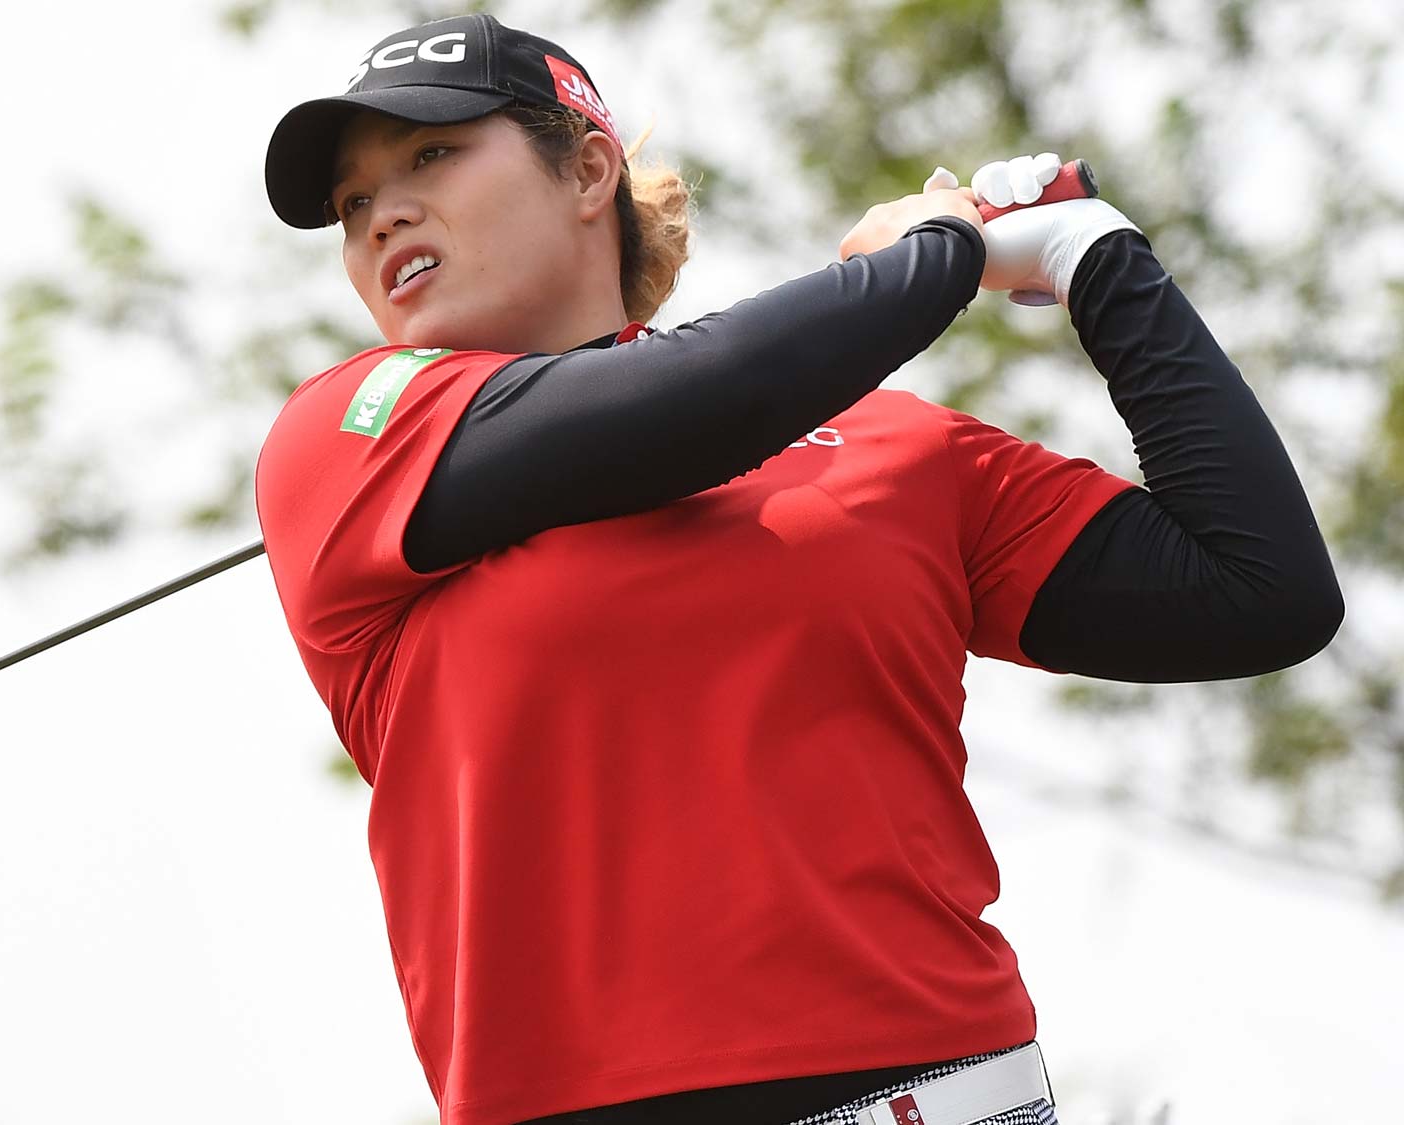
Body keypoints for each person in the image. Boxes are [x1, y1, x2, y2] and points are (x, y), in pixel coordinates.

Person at [252, 13, 1343, 1125]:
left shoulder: (893, 449)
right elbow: (696, 406)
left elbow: (1257, 592)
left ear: (586, 171)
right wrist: (935, 252)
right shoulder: (346, 438)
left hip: (943, 1095)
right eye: (350, 204)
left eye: (430, 155)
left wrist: (1096, 260)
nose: (382, 212)